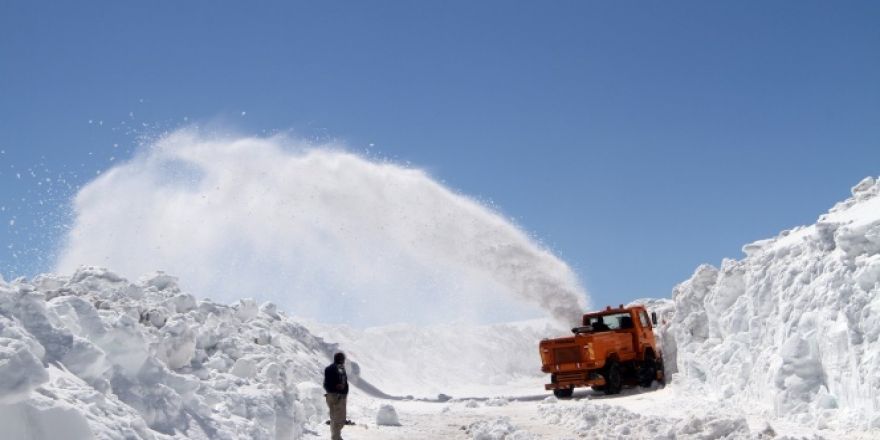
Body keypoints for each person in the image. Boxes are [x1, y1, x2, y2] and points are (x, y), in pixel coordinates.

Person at [323, 352, 349, 440]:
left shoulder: (328, 368)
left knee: (333, 418)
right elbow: (342, 381)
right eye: (343, 359)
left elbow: (326, 383)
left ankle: (335, 436)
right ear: (341, 360)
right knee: (339, 418)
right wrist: (341, 390)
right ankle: (336, 437)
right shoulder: (340, 368)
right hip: (338, 396)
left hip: (329, 396)